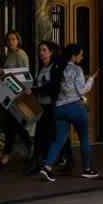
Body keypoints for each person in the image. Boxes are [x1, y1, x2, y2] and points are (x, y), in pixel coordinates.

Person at [38, 43, 100, 181]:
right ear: (73, 56)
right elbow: (82, 90)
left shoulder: (56, 67)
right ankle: (87, 169)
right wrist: (91, 79)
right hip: (76, 108)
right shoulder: (76, 69)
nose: (81, 57)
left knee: (58, 140)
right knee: (84, 138)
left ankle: (47, 167)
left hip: (59, 109)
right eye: (80, 54)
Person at [24, 40, 72, 175]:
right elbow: (38, 84)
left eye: (44, 50)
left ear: (51, 52)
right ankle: (63, 159)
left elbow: (53, 87)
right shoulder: (41, 67)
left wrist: (35, 91)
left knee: (49, 134)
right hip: (43, 105)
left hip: (53, 106)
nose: (41, 53)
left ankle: (41, 162)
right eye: (40, 50)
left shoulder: (55, 67)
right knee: (48, 134)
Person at [0, 30, 33, 169]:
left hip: (19, 94)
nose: (10, 42)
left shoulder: (20, 55)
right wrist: (2, 72)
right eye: (8, 39)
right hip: (11, 94)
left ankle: (6, 155)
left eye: (13, 39)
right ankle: (31, 146)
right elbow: (10, 74)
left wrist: (4, 72)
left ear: (18, 40)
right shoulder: (10, 55)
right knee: (16, 125)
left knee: (11, 125)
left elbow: (23, 73)